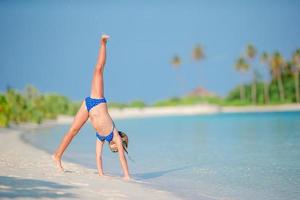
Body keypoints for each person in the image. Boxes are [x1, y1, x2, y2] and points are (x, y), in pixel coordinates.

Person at [52, 34, 130, 180]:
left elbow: (98, 156)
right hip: (98, 100)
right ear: (121, 140)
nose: (115, 148)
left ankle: (57, 156)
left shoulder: (101, 137)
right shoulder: (114, 135)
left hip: (88, 106)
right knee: (98, 69)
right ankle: (103, 43)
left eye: (114, 150)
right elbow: (122, 159)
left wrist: (101, 174)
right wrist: (127, 175)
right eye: (117, 148)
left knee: (73, 130)